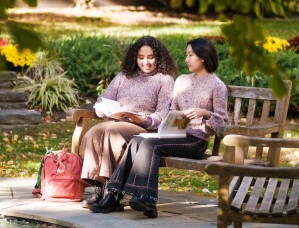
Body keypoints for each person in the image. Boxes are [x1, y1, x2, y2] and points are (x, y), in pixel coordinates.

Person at [89, 37, 229, 217]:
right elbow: (172, 111)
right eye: (186, 55)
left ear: (203, 57)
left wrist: (205, 113)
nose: (186, 59)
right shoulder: (182, 81)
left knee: (149, 145)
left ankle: (147, 198)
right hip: (175, 135)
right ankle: (114, 195)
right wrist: (166, 127)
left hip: (196, 140)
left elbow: (222, 123)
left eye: (190, 55)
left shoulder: (217, 86)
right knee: (139, 140)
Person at [80, 36, 176, 208]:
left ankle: (113, 192)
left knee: (112, 132)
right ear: (135, 57)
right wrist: (101, 109)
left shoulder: (165, 80)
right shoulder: (124, 76)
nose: (145, 62)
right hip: (117, 121)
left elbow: (163, 114)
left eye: (151, 57)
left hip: (144, 128)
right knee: (92, 134)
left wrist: (144, 119)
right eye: (141, 57)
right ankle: (100, 187)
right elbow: (104, 98)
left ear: (159, 57)